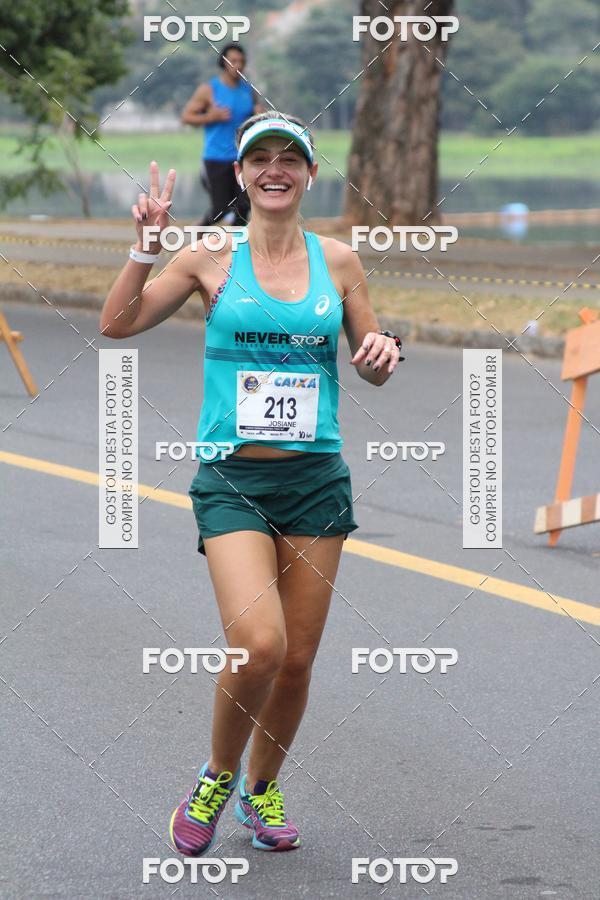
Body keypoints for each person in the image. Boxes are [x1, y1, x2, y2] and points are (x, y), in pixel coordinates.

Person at [99, 111, 403, 857]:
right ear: (239, 175)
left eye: (289, 159)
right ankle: (215, 776)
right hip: (232, 481)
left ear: (308, 174)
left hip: (316, 481)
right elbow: (118, 323)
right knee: (259, 645)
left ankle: (262, 789)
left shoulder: (339, 260)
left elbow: (372, 351)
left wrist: (379, 356)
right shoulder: (208, 256)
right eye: (259, 158)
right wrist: (144, 250)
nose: (275, 169)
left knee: (297, 660)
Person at [181, 43, 264, 226]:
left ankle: (237, 250)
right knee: (221, 209)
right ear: (223, 63)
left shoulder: (248, 91)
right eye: (233, 61)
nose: (238, 65)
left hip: (242, 158)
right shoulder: (210, 90)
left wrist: (260, 116)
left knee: (244, 206)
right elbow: (186, 117)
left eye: (241, 61)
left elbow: (259, 117)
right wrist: (211, 116)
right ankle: (197, 235)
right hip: (216, 157)